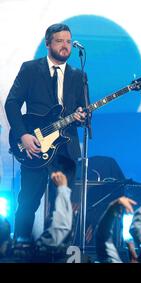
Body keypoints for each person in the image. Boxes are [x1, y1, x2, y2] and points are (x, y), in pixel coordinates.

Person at [5, 23, 87, 242]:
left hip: (66, 150)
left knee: (62, 206)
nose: (65, 46)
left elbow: (85, 114)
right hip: (34, 146)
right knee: (28, 202)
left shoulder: (78, 76)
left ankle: (57, 251)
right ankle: (21, 245)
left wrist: (83, 116)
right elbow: (12, 104)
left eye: (68, 42)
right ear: (48, 43)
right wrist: (23, 134)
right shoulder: (30, 69)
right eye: (59, 41)